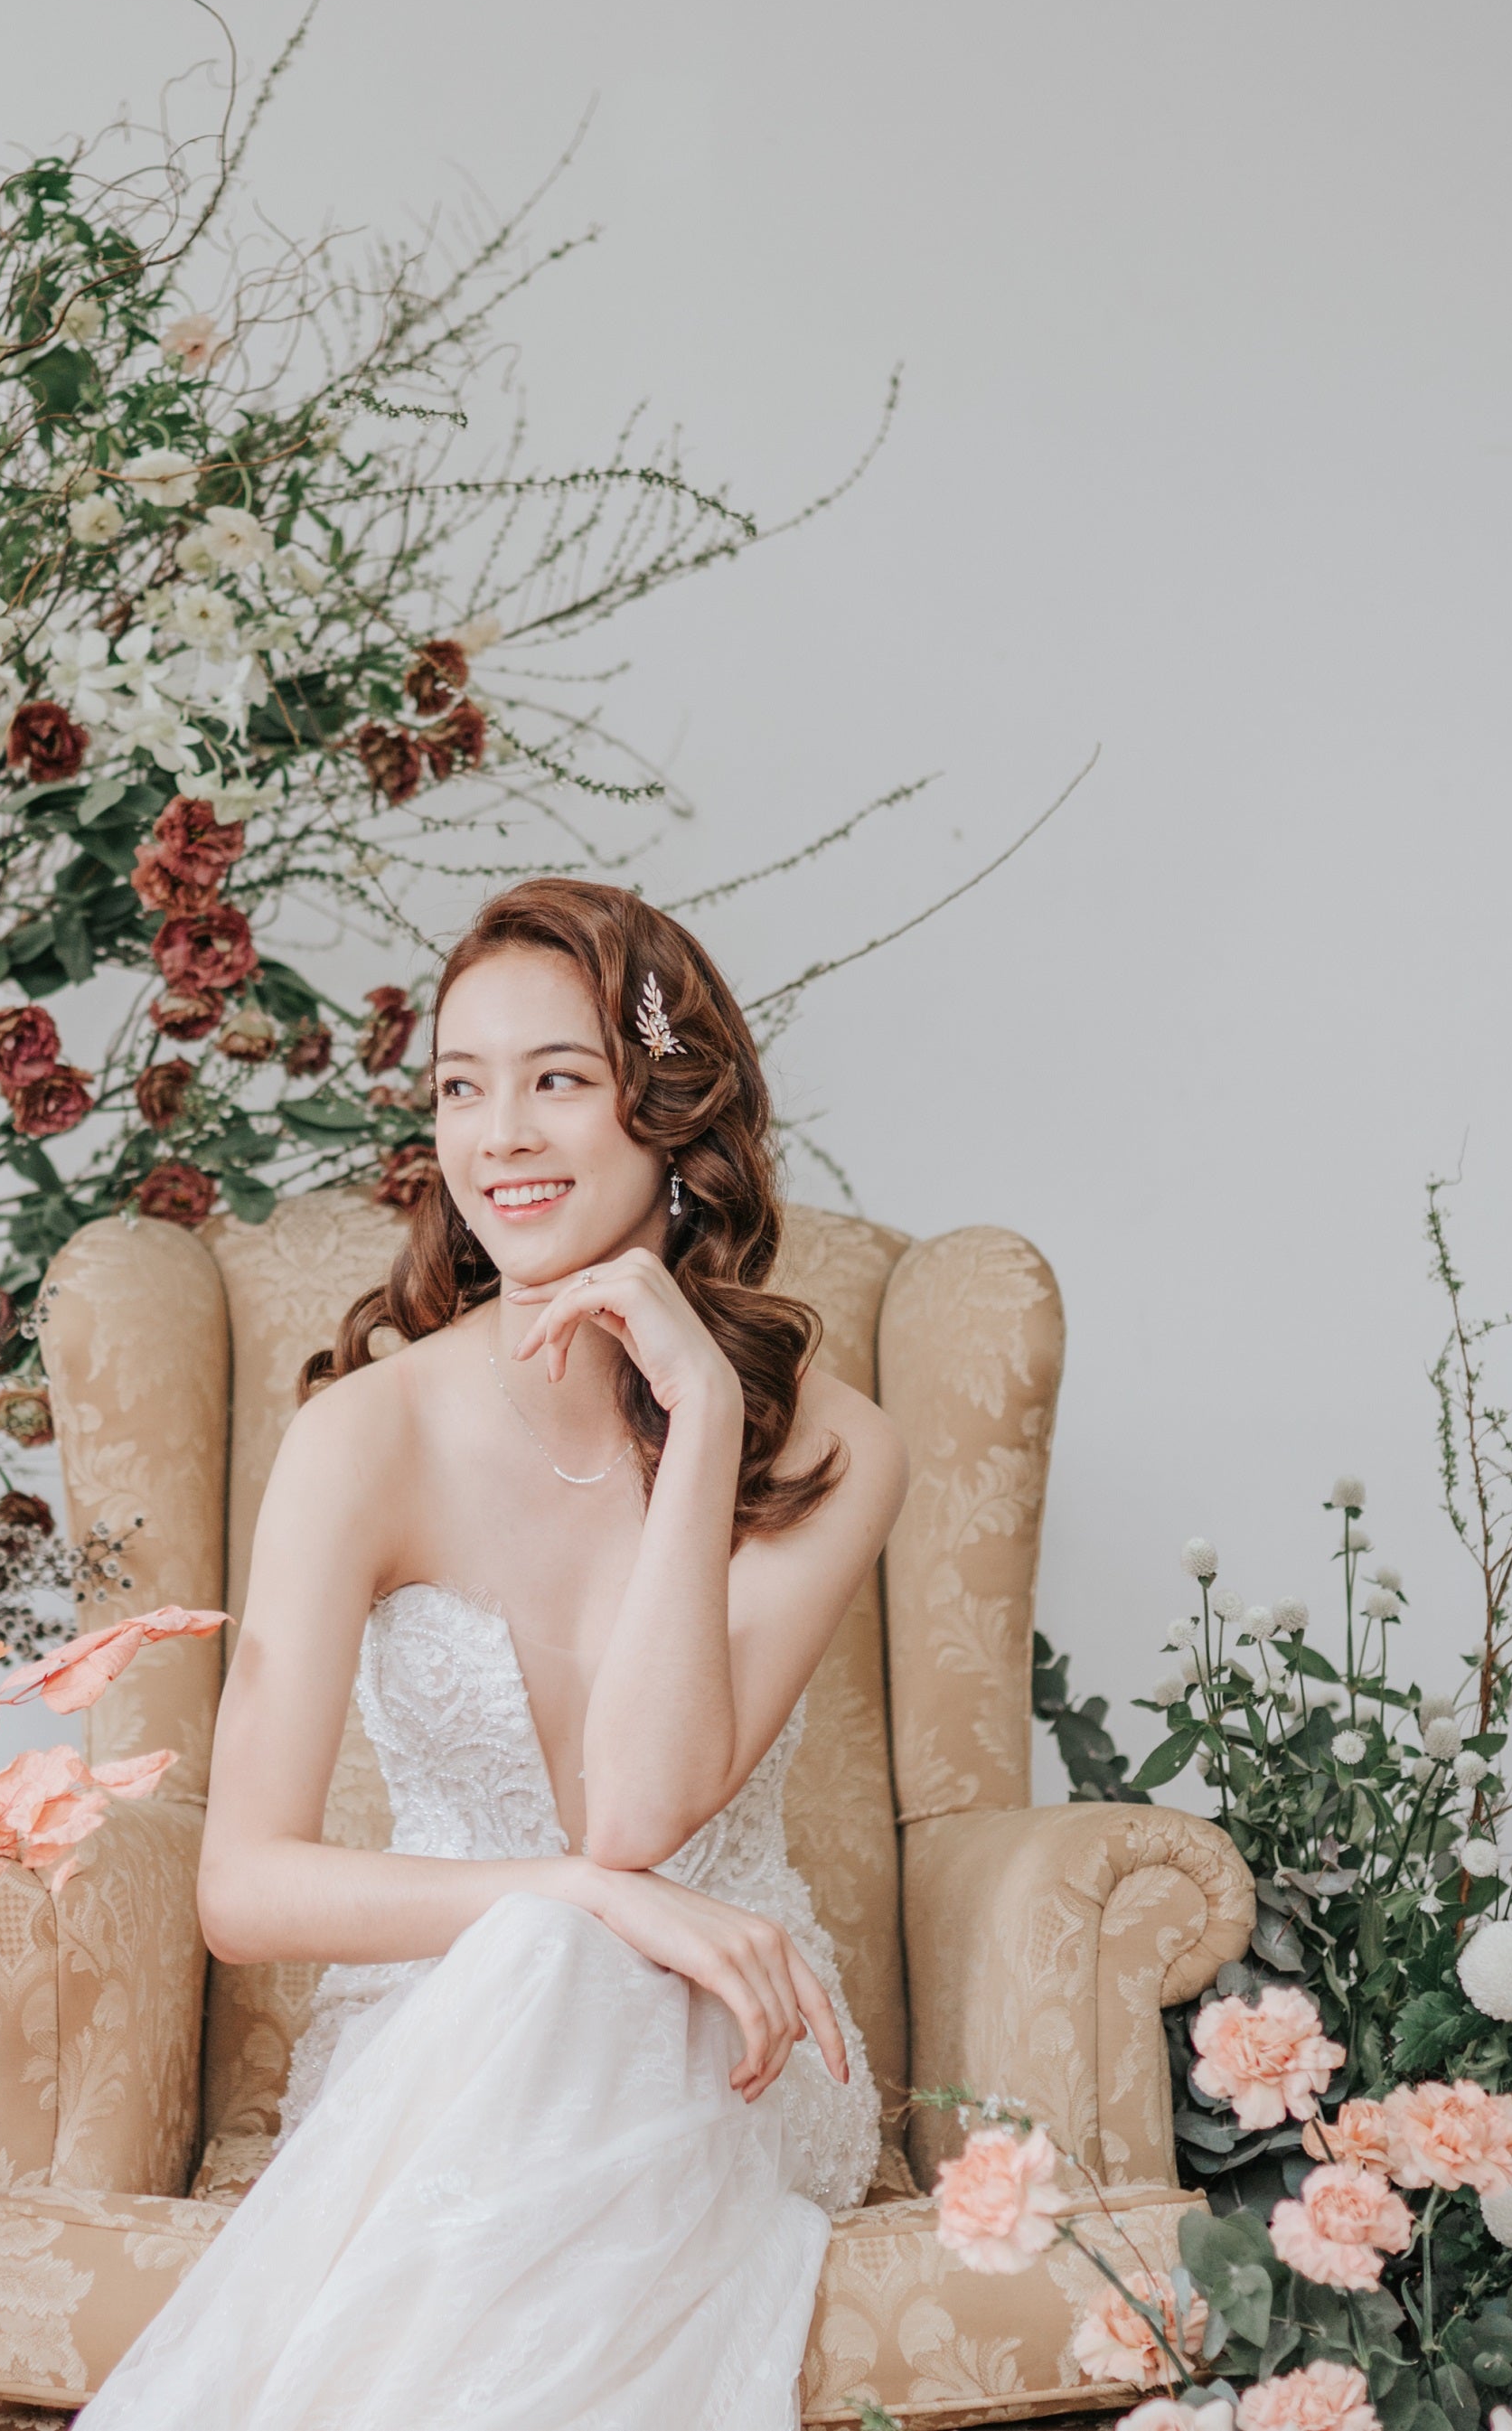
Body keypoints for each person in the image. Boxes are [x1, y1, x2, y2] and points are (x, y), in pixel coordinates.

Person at [75, 878, 911, 2430]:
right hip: (435, 2055)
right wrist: (578, 1902)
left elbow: (639, 1818)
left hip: (731, 2053)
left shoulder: (832, 1443)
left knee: (581, 1967)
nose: (501, 1136)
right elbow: (244, 1887)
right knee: (551, 1952)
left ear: (670, 1115)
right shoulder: (363, 1434)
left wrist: (704, 1408)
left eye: (559, 1080)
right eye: (462, 1087)